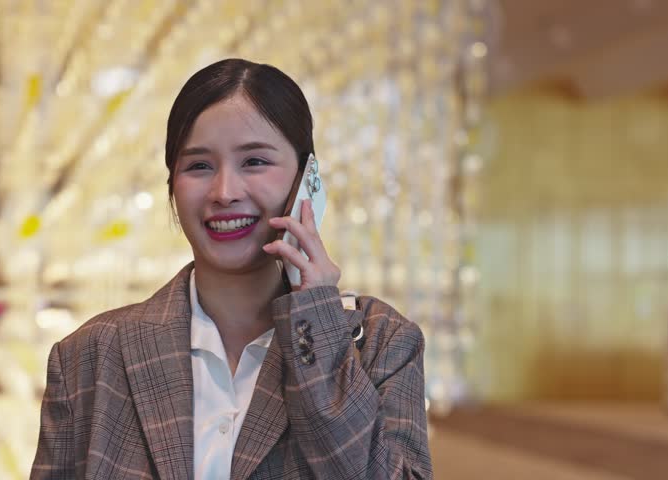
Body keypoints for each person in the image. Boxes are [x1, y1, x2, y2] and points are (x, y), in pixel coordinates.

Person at [31, 58, 433, 479]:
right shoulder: (89, 356)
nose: (224, 192)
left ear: (307, 181)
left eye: (255, 161)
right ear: (172, 186)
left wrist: (318, 324)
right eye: (199, 166)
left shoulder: (380, 342)